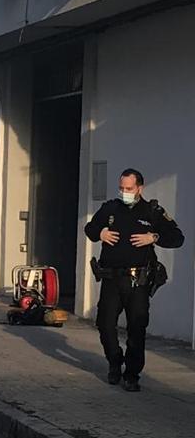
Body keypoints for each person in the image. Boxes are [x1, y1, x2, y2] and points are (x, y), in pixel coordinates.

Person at [84, 168, 183, 392]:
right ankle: (115, 361)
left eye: (128, 189)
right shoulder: (110, 208)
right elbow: (90, 229)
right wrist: (100, 234)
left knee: (137, 328)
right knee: (105, 325)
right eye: (121, 188)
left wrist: (153, 237)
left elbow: (177, 237)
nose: (124, 192)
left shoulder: (152, 211)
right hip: (112, 278)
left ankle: (131, 375)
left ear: (139, 188)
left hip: (138, 280)